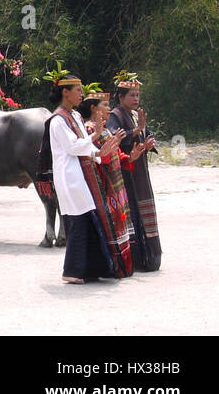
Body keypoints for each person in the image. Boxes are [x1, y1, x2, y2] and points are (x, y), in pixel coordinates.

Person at [47, 72, 123, 284]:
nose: (81, 94)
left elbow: (84, 145)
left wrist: (98, 153)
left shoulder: (76, 117)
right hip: (69, 177)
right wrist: (96, 136)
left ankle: (90, 269)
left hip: (82, 174)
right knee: (77, 221)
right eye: (78, 90)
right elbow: (72, 147)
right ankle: (72, 271)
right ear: (65, 92)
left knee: (89, 218)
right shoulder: (58, 120)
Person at [107, 72, 162, 272]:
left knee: (143, 207)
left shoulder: (133, 114)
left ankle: (149, 257)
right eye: (131, 95)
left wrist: (148, 142)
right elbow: (114, 136)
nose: (136, 99)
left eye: (137, 95)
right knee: (131, 210)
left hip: (140, 169)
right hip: (126, 171)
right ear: (120, 97)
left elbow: (145, 132)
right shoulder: (116, 115)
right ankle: (136, 259)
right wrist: (137, 131)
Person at [82, 91, 133, 277]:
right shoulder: (88, 130)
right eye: (105, 105)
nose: (109, 109)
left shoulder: (105, 130)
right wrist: (104, 154)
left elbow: (116, 154)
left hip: (115, 183)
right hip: (102, 184)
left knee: (118, 222)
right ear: (93, 108)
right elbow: (90, 157)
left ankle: (122, 265)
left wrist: (130, 157)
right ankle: (110, 267)